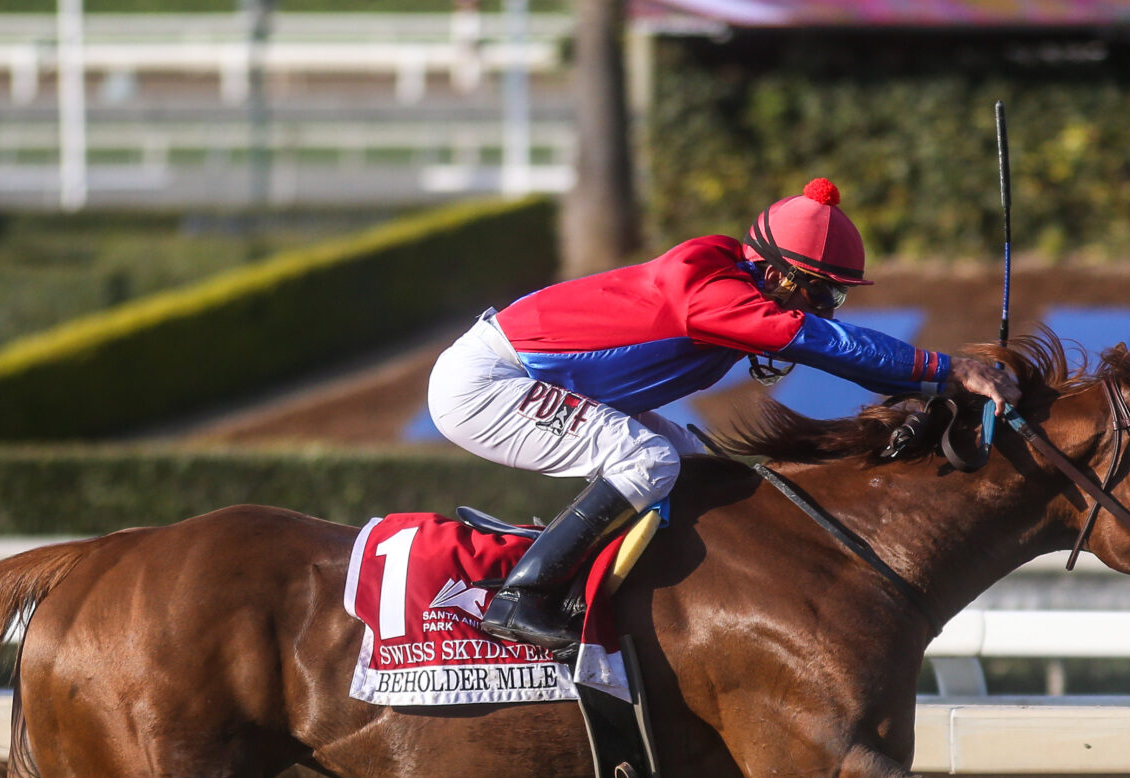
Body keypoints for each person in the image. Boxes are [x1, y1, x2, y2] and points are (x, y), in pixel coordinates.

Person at [426, 177, 1020, 652]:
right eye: (823, 294)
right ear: (779, 274)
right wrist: (949, 369)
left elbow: (829, 347)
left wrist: (930, 382)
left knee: (692, 464)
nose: (826, 310)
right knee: (648, 458)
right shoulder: (715, 294)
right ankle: (522, 597)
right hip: (489, 383)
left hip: (517, 373)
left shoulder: (732, 280)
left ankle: (632, 603)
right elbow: (827, 346)